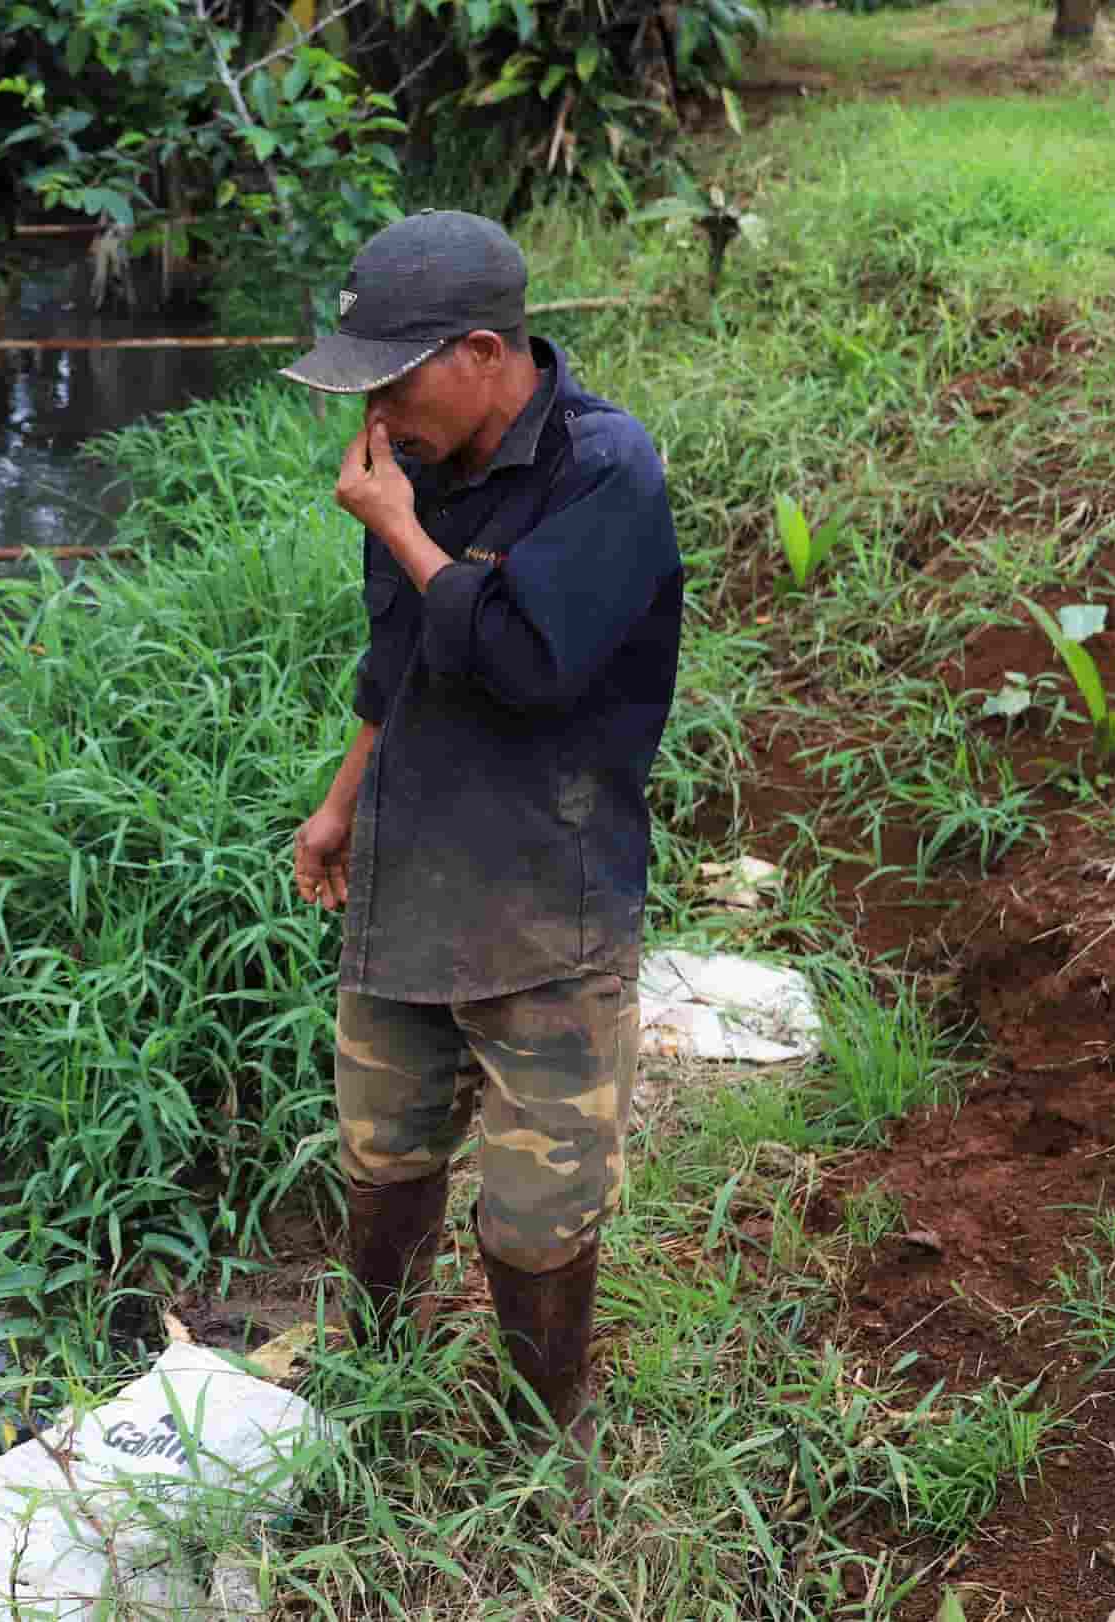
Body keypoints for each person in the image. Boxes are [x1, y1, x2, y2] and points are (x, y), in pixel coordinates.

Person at [282, 210, 684, 1502]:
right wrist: (341, 803)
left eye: (394, 383)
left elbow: (525, 663)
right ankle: (376, 1377)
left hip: (550, 880)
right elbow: (397, 659)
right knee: (383, 1147)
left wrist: (404, 527)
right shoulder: (416, 459)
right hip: (412, 857)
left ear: (481, 352)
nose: (377, 414)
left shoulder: (603, 470)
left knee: (538, 1203)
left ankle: (541, 1443)